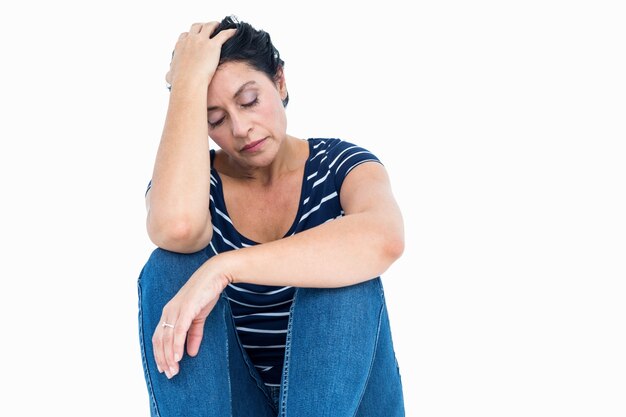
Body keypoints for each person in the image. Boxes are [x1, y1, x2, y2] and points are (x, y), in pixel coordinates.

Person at [137, 15, 406, 417]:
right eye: (215, 119)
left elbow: (384, 238)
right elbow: (176, 229)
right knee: (169, 265)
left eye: (249, 101)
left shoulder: (341, 164)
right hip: (244, 401)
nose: (242, 128)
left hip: (346, 403)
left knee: (344, 272)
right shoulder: (196, 185)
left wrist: (223, 268)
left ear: (279, 82)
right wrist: (185, 86)